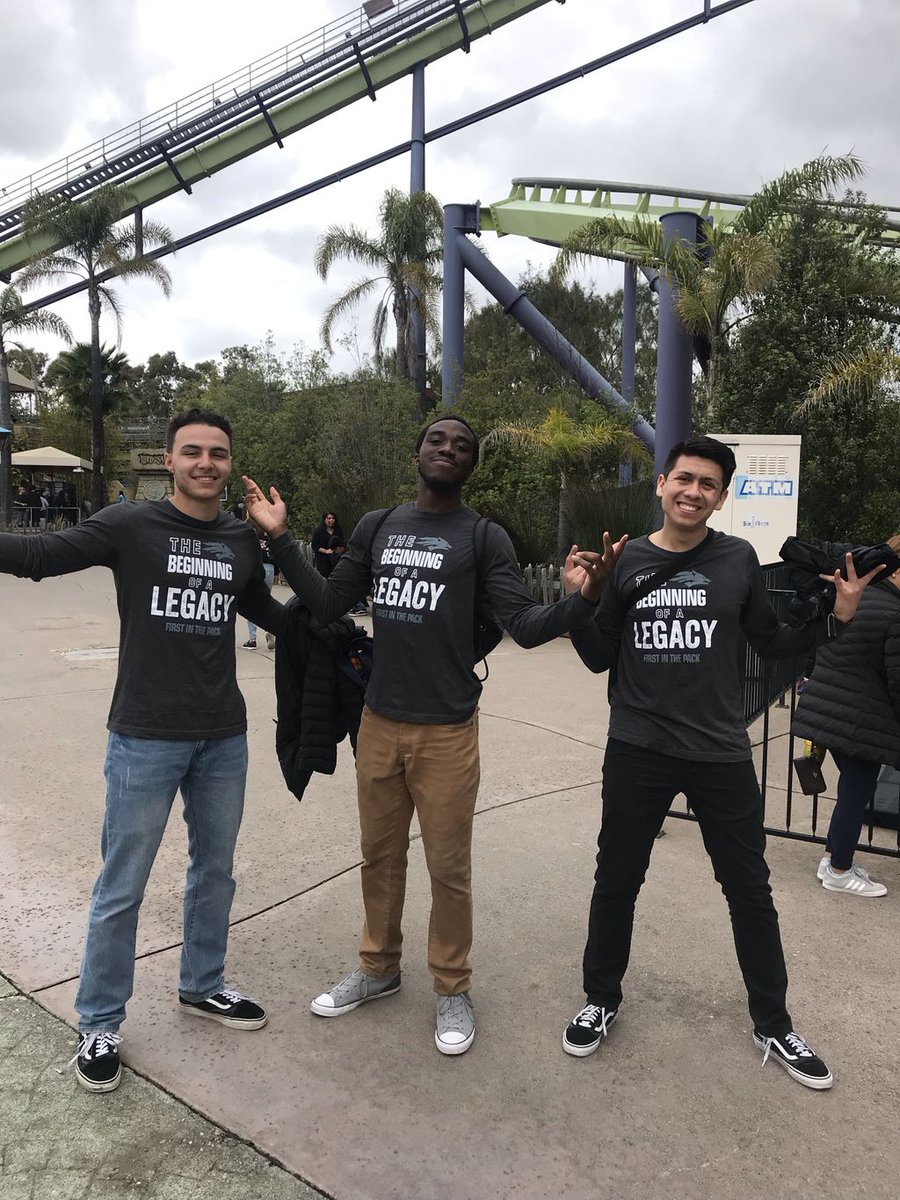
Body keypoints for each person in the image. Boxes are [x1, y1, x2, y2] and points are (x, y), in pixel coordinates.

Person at [242, 414, 619, 1056]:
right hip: (379, 722)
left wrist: (583, 599)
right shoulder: (377, 526)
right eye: (437, 440)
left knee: (448, 867)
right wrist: (280, 541)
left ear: (471, 465)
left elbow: (522, 626)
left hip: (447, 729)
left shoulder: (483, 536)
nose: (448, 450)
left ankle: (451, 985)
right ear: (417, 452)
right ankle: (378, 968)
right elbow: (330, 605)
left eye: (462, 447)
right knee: (379, 856)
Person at [559, 435, 882, 1091]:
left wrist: (839, 619)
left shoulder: (737, 561)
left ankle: (773, 1020)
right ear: (661, 484)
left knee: (749, 892)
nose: (693, 491)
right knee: (616, 880)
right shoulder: (626, 560)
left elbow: (774, 641)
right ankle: (601, 999)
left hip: (719, 751)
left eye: (708, 484)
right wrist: (585, 599)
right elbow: (597, 655)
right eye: (684, 478)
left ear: (722, 497)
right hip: (638, 748)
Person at [0, 407, 284, 1094]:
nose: (206, 463)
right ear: (169, 460)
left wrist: (291, 548)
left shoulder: (242, 540)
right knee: (121, 887)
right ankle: (98, 1021)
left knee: (214, 873)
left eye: (218, 453)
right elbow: (41, 558)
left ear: (230, 462)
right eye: (193, 452)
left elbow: (272, 615)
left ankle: (202, 984)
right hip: (144, 735)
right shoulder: (132, 526)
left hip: (223, 735)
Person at [792, 534, 900, 897]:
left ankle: (834, 857)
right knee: (856, 792)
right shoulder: (895, 611)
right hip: (861, 719)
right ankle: (839, 869)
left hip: (829, 707)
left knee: (850, 789)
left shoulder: (853, 593)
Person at [243, 526, 277, 650]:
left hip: (256, 566)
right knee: (266, 602)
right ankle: (271, 629)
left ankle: (252, 639)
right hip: (269, 567)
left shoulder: (251, 533)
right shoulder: (270, 534)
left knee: (251, 602)